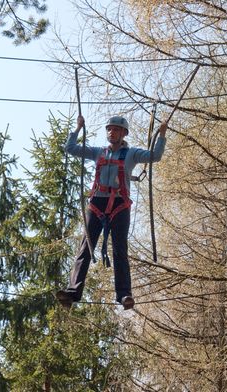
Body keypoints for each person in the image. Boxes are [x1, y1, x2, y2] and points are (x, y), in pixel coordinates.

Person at [56, 114, 168, 310]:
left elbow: (155, 156)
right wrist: (77, 129)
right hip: (97, 203)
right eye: (109, 129)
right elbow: (70, 148)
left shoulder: (132, 154)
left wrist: (162, 136)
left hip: (119, 205)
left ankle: (124, 295)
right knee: (86, 248)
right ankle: (73, 292)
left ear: (123, 133)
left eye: (116, 129)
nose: (111, 132)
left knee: (119, 250)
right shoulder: (98, 152)